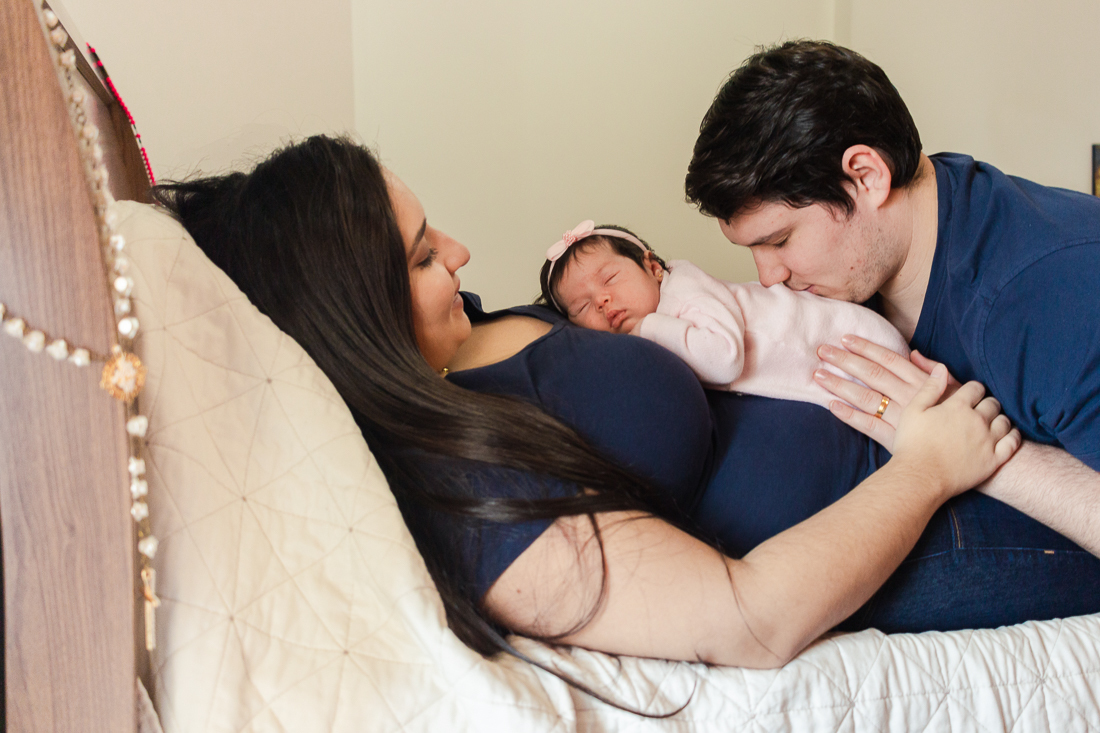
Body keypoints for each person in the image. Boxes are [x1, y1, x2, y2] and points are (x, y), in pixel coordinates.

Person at [152, 135, 1100, 682]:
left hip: (912, 428)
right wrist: (935, 462)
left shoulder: (459, 340)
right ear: (355, 310)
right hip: (926, 525)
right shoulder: (461, 491)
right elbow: (750, 619)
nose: (464, 253)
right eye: (423, 255)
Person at [685, 40, 1100, 555]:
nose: (769, 276)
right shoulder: (890, 252)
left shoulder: (1047, 296)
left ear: (867, 176)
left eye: (779, 241)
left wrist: (980, 452)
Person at [537, 219, 909, 410]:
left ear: (652, 267)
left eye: (611, 279)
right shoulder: (644, 339)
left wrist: (648, 325)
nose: (602, 301)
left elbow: (724, 359)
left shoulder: (684, 290)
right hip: (840, 378)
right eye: (583, 306)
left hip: (853, 344)